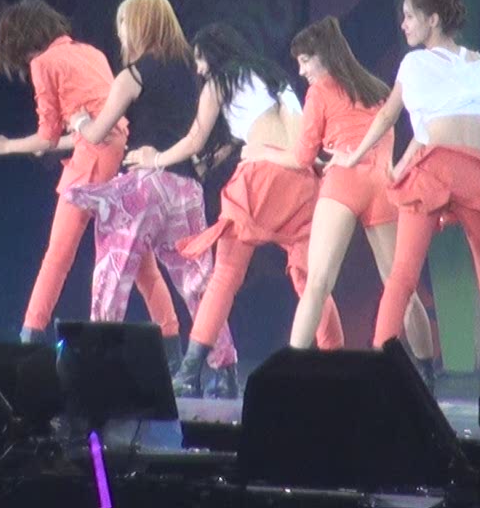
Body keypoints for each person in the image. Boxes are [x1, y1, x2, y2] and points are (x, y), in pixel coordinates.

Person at [124, 23, 344, 397]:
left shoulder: (220, 82)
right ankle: (339, 365)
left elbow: (195, 138)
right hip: (302, 184)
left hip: (258, 183)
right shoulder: (276, 77)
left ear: (214, 54)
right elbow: (297, 141)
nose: (198, 69)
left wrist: (155, 159)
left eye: (199, 60)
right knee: (312, 281)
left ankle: (190, 371)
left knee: (224, 275)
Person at [332, 0, 480, 357]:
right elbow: (435, 126)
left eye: (409, 17)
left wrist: (353, 157)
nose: (403, 24)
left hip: (436, 171)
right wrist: (401, 168)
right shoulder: (476, 62)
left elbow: (388, 116)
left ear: (433, 20)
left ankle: (380, 364)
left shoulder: (414, 63)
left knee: (402, 277)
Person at [243, 16, 436, 384]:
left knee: (317, 284)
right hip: (382, 186)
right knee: (402, 289)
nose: (301, 71)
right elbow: (399, 139)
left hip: (343, 184)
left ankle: (288, 374)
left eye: (305, 61)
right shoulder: (379, 89)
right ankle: (427, 375)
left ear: (325, 56)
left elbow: (302, 157)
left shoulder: (319, 93)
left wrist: (263, 152)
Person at [0, 0, 181, 355]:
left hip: (91, 164)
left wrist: (6, 146)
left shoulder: (44, 63)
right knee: (140, 262)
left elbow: (48, 137)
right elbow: (93, 128)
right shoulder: (92, 53)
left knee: (57, 257)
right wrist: (52, 140)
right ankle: (172, 347)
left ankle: (29, 338)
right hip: (115, 156)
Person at [66, 0, 237, 392]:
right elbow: (223, 135)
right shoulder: (195, 73)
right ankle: (224, 372)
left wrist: (78, 121)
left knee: (112, 275)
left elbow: (98, 132)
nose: (120, 32)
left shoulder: (134, 74)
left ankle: (96, 368)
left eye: (123, 23)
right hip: (186, 188)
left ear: (139, 25)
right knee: (198, 284)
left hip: (145, 186)